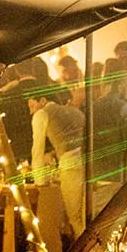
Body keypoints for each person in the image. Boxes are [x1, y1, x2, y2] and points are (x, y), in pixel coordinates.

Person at [29, 85, 87, 238]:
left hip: (71, 166)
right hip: (90, 163)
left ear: (42, 100)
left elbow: (37, 149)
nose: (31, 111)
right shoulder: (76, 111)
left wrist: (40, 180)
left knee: (75, 217)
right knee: (87, 214)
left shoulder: (41, 114)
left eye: (32, 105)